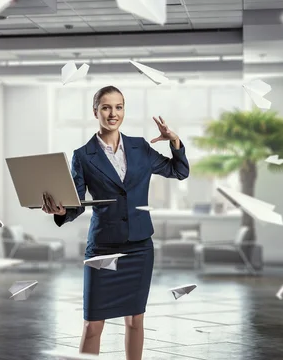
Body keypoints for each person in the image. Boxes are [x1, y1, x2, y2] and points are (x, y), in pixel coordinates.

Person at [41, 86, 189, 360]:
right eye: (106, 107)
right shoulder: (83, 155)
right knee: (93, 324)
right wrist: (61, 211)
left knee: (135, 320)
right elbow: (76, 203)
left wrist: (174, 140)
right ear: (95, 111)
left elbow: (179, 171)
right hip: (103, 248)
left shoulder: (140, 147)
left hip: (139, 247)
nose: (113, 113)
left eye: (119, 107)